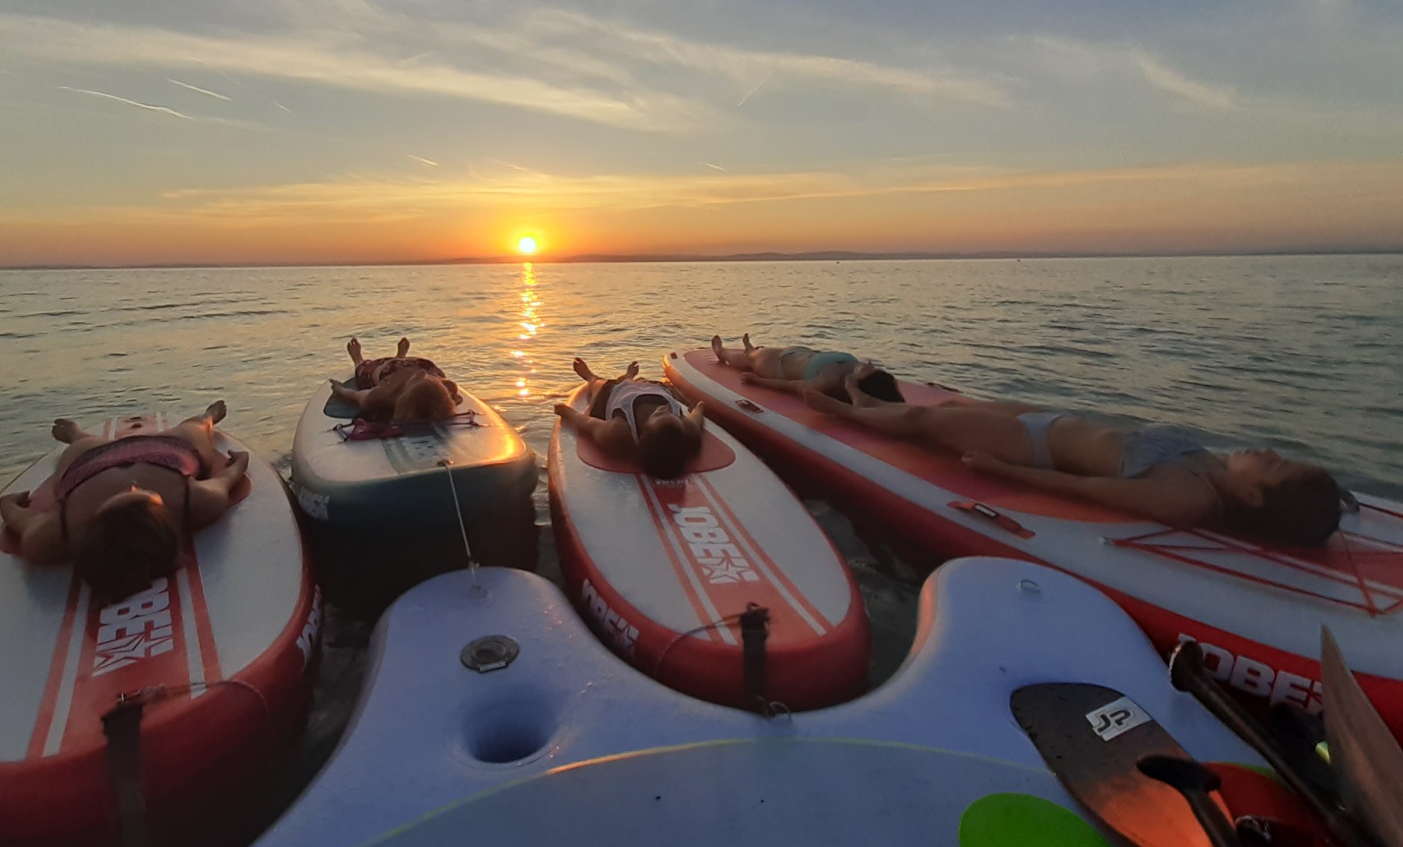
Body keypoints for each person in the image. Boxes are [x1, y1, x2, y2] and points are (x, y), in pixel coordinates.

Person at [803, 366, 1342, 548]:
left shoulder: (1188, 497)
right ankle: (870, 403)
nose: (1267, 451)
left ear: (1253, 497)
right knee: (948, 407)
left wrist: (1004, 471)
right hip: (1049, 419)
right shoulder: (1213, 469)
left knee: (925, 423)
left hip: (1033, 447)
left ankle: (847, 407)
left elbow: (1089, 489)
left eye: (1274, 466)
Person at [0, 401, 250, 601]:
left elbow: (17, 517)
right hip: (168, 452)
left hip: (90, 462)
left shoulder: (60, 531)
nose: (131, 485)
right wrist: (238, 464)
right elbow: (226, 479)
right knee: (197, 428)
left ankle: (76, 433)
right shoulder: (194, 502)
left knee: (83, 443)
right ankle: (207, 417)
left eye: (118, 496)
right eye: (140, 493)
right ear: (165, 524)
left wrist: (9, 504)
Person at [553, 358, 706, 481]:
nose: (665, 408)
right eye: (673, 415)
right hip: (655, 388)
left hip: (615, 393)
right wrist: (699, 407)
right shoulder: (686, 429)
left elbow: (588, 423)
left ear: (642, 435)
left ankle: (590, 376)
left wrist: (568, 412)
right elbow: (696, 418)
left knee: (598, 384)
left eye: (658, 414)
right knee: (645, 382)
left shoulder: (618, 432)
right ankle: (629, 377)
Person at [711, 333, 904, 402]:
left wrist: (757, 381)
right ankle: (750, 348)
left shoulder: (827, 382)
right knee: (756, 353)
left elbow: (792, 386)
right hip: (800, 353)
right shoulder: (855, 367)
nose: (868, 365)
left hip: (777, 364)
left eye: (869, 370)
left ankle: (722, 353)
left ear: (861, 382)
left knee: (750, 360)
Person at [329, 336, 460, 424]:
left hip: (386, 369)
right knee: (426, 372)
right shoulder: (447, 387)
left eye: (416, 380)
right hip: (423, 364)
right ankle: (401, 356)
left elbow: (355, 395)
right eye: (430, 380)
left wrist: (339, 389)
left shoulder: (383, 394)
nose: (421, 373)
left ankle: (358, 358)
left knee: (363, 372)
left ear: (405, 393)